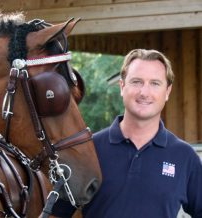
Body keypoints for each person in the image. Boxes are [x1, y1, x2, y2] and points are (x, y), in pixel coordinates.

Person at [51, 49, 202, 218]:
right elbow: (57, 214)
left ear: (167, 92)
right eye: (137, 82)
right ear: (122, 86)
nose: (144, 92)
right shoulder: (89, 150)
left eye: (155, 83)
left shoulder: (184, 156)